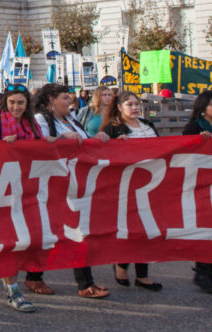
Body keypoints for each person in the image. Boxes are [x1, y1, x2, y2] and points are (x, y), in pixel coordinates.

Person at [33, 83, 111, 299]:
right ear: (51, 99)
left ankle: (35, 276)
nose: (70, 102)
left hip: (76, 183)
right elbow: (40, 146)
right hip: (55, 184)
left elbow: (83, 143)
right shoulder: (42, 120)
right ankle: (83, 283)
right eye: (65, 98)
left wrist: (97, 140)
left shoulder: (72, 119)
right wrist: (61, 140)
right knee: (67, 231)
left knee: (73, 230)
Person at [0, 84, 55, 312]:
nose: (16, 107)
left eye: (20, 103)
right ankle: (12, 289)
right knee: (10, 240)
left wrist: (54, 141)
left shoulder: (33, 125)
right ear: (5, 102)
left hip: (28, 190)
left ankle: (21, 279)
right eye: (12, 102)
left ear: (27, 104)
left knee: (27, 237)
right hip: (3, 191)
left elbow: (41, 152)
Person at [101, 91, 163, 291]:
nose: (134, 107)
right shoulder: (113, 127)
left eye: (136, 103)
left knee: (147, 229)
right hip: (125, 187)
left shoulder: (148, 125)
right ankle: (121, 264)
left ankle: (142, 274)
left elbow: (163, 149)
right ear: (119, 107)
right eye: (129, 104)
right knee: (128, 229)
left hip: (150, 184)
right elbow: (101, 154)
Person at [182, 90, 212, 293]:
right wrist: (200, 142)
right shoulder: (194, 128)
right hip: (202, 184)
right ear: (203, 109)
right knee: (206, 229)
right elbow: (185, 155)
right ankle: (203, 271)